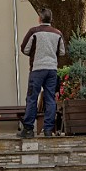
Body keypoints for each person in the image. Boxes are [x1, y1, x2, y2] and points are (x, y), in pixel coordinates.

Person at [19, 8, 65, 138]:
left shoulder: (34, 32)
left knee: (32, 97)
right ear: (51, 19)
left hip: (37, 69)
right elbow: (62, 52)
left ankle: (28, 129)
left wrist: (36, 53)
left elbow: (25, 49)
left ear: (40, 18)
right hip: (52, 69)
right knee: (50, 99)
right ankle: (48, 130)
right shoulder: (58, 33)